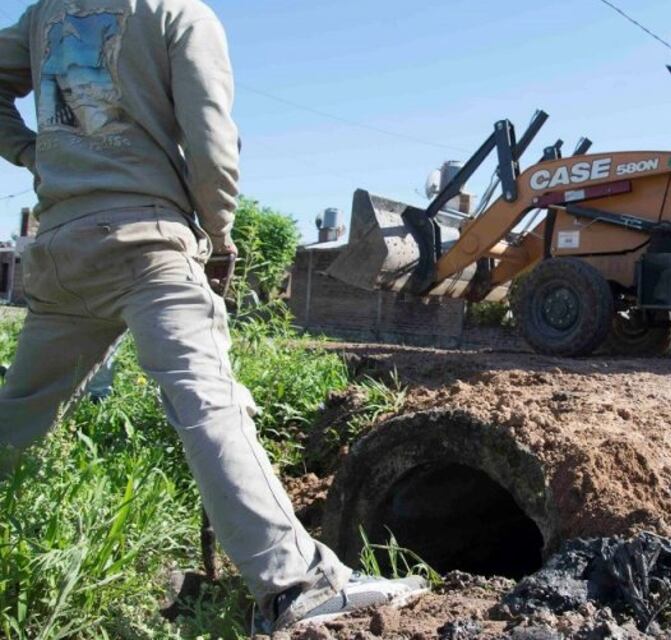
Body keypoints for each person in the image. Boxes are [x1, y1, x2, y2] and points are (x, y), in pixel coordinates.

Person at [0, 0, 427, 633]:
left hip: (62, 248)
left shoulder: (45, 14)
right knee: (209, 402)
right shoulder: (178, 14)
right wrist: (219, 234)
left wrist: (38, 154)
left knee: (23, 407)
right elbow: (210, 143)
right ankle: (296, 583)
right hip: (146, 244)